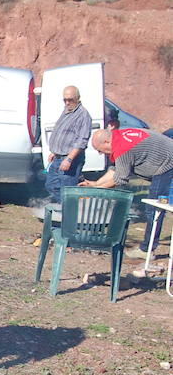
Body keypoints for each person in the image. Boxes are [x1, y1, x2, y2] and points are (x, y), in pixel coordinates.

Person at [81, 128, 173, 258]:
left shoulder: (123, 148)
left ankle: (146, 250)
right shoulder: (118, 138)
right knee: (155, 207)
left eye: (99, 150)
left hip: (167, 164)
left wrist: (97, 190)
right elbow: (116, 170)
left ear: (107, 141)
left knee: (154, 209)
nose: (100, 153)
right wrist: (96, 184)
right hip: (165, 160)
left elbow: (120, 179)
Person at [45, 86, 92, 204]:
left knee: (67, 191)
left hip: (70, 159)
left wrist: (69, 159)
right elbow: (62, 133)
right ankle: (69, 209)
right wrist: (54, 152)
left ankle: (71, 213)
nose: (67, 102)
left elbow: (81, 141)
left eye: (70, 100)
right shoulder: (67, 111)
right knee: (51, 185)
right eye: (64, 100)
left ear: (77, 98)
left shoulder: (83, 115)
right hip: (58, 157)